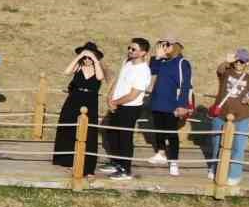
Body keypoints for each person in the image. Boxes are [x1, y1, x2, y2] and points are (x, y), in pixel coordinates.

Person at [100, 38, 152, 180]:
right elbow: (118, 80)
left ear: (143, 53)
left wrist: (115, 102)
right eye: (129, 48)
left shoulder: (143, 71)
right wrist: (110, 96)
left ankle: (125, 169)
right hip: (117, 104)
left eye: (133, 49)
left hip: (130, 108)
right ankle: (116, 162)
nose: (130, 51)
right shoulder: (127, 62)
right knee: (112, 134)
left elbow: (133, 94)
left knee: (125, 138)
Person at [206, 49, 249, 184]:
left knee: (238, 147)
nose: (239, 63)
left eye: (243, 61)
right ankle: (214, 168)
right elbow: (219, 69)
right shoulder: (226, 72)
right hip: (221, 115)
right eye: (238, 60)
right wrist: (227, 61)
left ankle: (234, 175)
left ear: (248, 63)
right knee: (217, 144)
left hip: (241, 118)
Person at [52, 42, 105, 176]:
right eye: (85, 58)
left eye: (89, 58)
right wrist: (80, 56)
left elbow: (100, 77)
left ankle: (87, 166)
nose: (87, 60)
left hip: (90, 101)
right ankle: (67, 160)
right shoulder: (79, 66)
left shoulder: (97, 67)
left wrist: (94, 59)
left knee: (89, 133)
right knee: (68, 128)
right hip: (74, 100)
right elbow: (66, 71)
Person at [145, 36, 194, 177]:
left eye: (167, 45)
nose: (163, 47)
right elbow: (152, 71)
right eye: (161, 45)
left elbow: (185, 85)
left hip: (172, 104)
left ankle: (174, 161)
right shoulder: (162, 61)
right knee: (158, 129)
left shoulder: (182, 63)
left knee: (172, 133)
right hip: (157, 102)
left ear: (176, 46)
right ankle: (160, 153)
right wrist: (158, 57)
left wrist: (182, 105)